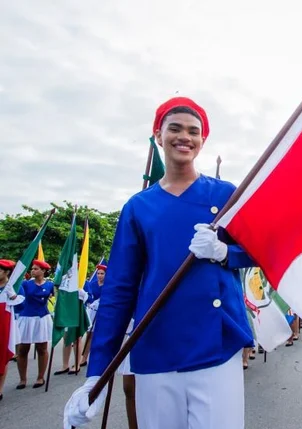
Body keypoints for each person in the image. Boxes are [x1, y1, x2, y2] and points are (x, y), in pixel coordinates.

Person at [64, 97, 257, 429]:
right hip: (155, 347)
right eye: (175, 128)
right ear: (158, 135)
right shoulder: (138, 207)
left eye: (193, 131)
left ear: (202, 141)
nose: (185, 137)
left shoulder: (226, 194)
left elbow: (261, 249)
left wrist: (226, 253)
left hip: (216, 348)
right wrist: (95, 373)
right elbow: (119, 291)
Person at [15, 260, 54, 389]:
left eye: (36, 269)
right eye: (32, 268)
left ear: (43, 271)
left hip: (42, 317)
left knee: (42, 348)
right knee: (23, 349)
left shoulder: (49, 284)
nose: (33, 271)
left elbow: (53, 296)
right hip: (27, 317)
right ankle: (22, 379)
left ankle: (40, 377)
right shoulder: (25, 284)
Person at [0, 259, 25, 401]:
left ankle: (0, 390)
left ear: (7, 272)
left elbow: (21, 307)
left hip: (4, 326)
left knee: (2, 357)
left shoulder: (14, 287)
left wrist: (13, 295)